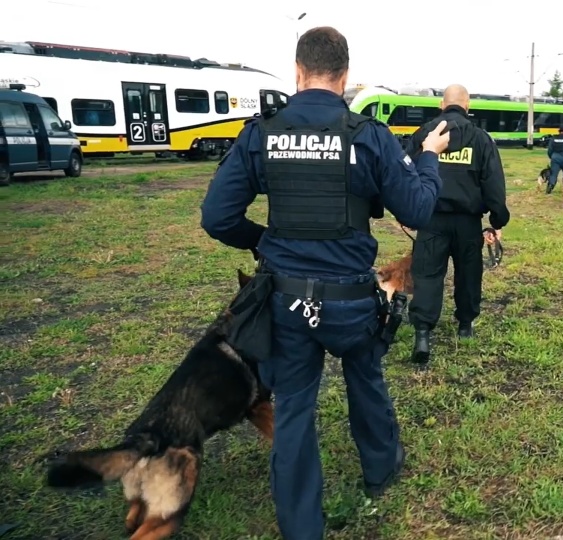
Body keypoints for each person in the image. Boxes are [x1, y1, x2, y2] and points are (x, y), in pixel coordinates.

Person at [199, 26, 452, 540]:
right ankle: (380, 471)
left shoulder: (262, 133)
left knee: (293, 407)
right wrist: (428, 156)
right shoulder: (367, 134)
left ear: (297, 72)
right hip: (351, 300)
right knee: (366, 380)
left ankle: (300, 526)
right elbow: (420, 208)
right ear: (345, 76)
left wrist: (264, 240)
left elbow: (217, 217)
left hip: (286, 302)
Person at [402, 84, 510, 367]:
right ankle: (465, 325)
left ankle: (423, 334)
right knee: (469, 274)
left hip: (430, 220)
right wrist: (497, 220)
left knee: (427, 275)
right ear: (468, 105)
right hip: (468, 223)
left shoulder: (424, 134)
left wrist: (406, 211)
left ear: (441, 105)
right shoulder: (481, 139)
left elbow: (404, 174)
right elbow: (494, 185)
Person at [545, 126, 563, 194]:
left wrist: (552, 157)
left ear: (558, 131)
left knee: (553, 174)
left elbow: (549, 150)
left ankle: (551, 185)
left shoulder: (553, 138)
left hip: (555, 158)